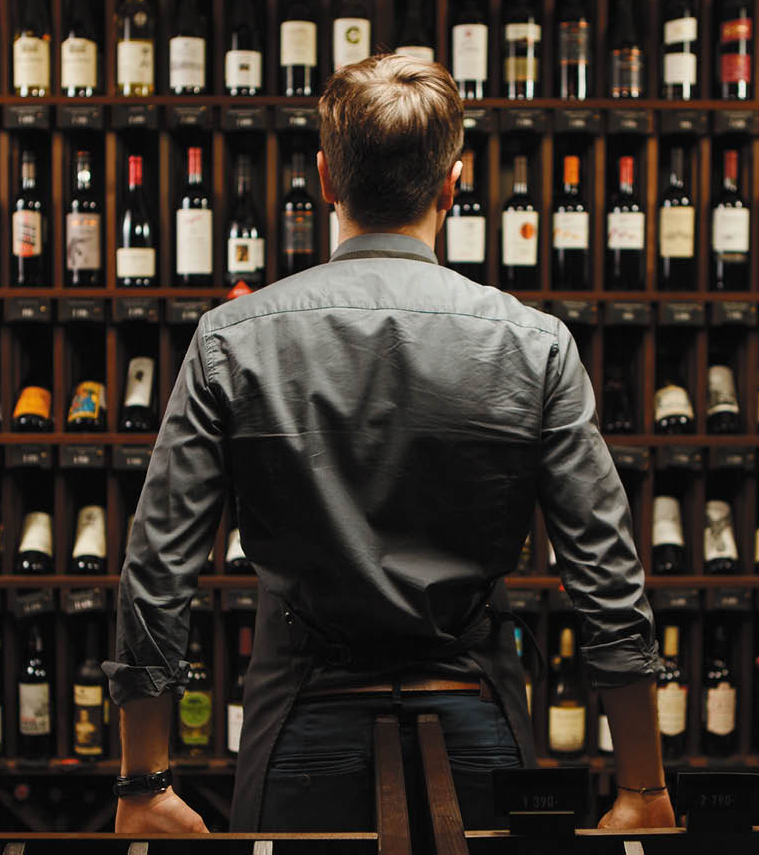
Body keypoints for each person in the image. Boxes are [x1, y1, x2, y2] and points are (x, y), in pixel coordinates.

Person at [105, 54, 673, 834]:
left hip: (300, 727)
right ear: (452, 185)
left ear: (326, 180)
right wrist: (642, 786)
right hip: (476, 718)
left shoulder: (231, 340)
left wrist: (144, 783)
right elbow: (605, 571)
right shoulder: (534, 343)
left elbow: (157, 567)